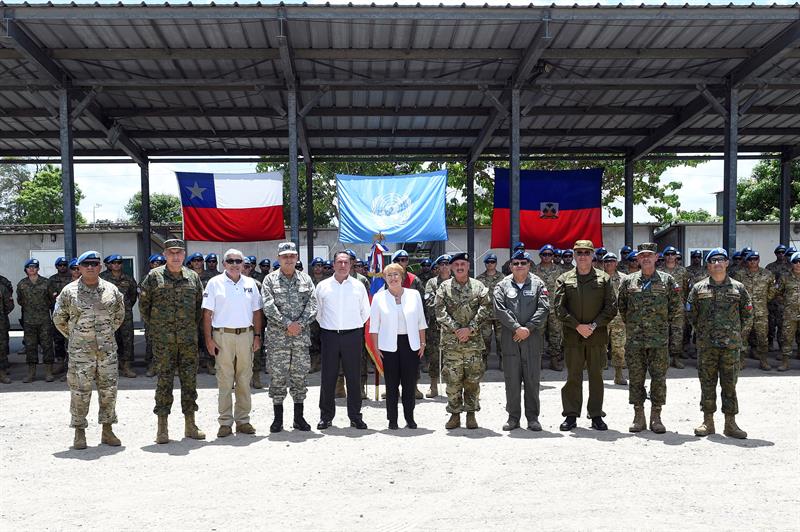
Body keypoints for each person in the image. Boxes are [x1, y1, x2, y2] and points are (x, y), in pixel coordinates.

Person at [53, 251, 125, 450]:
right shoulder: (69, 291)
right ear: (79, 267)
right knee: (79, 392)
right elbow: (59, 319)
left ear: (101, 267)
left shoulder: (111, 290)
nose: (91, 267)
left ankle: (107, 430)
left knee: (108, 390)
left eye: (94, 263)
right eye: (86, 264)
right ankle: (79, 432)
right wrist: (77, 336)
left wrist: (104, 334)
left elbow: (119, 316)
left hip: (107, 351)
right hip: (80, 353)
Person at [138, 239, 206, 444]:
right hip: (163, 342)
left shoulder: (193, 277)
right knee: (164, 382)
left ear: (184, 255)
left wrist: (187, 329)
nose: (175, 256)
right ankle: (162, 428)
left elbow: (198, 309)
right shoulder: (154, 276)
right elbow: (144, 307)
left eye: (179, 253)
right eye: (171, 253)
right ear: (165, 254)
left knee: (189, 382)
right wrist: (159, 328)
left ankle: (190, 425)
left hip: (187, 340)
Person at [687, 248, 752, 439]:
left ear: (727, 263)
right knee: (707, 383)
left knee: (729, 383)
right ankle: (708, 422)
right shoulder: (699, 288)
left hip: (730, 346)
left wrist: (735, 334)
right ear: (708, 265)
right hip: (706, 345)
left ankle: (730, 423)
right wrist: (703, 331)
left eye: (721, 259)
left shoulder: (738, 288)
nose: (717, 263)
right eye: (713, 260)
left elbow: (747, 314)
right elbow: (691, 314)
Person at [617, 243, 682, 434]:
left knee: (659, 378)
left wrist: (660, 325)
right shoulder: (629, 281)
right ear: (637, 259)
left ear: (656, 258)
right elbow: (622, 307)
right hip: (635, 339)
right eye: (642, 255)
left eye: (649, 255)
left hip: (658, 339)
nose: (645, 258)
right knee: (636, 377)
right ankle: (639, 415)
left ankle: (656, 416)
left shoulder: (667, 280)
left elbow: (675, 307)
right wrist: (635, 324)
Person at [554, 240, 617, 431]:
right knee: (573, 376)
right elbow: (558, 308)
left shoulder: (604, 279)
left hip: (596, 336)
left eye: (586, 252)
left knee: (596, 376)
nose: (582, 256)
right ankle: (571, 415)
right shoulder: (564, 279)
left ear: (593, 256)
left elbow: (611, 307)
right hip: (573, 336)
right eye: (579, 252)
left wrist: (594, 325)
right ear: (574, 255)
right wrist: (577, 326)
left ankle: (596, 415)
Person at [202, 248, 261, 437]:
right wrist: (209, 339)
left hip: (246, 336)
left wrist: (257, 336)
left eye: (238, 261)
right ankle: (225, 422)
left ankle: (243, 421)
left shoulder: (251, 283)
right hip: (222, 337)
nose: (235, 264)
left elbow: (257, 312)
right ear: (224, 264)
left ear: (243, 264)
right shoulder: (214, 283)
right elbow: (207, 314)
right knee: (225, 380)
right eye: (231, 261)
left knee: (244, 379)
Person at [261, 242, 317, 433]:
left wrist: (299, 325)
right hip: (278, 340)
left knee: (299, 378)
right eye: (285, 256)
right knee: (278, 378)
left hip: (300, 339)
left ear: (297, 258)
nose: (289, 259)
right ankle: (278, 420)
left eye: (292, 256)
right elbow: (268, 306)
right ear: (279, 258)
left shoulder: (306, 280)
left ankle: (298, 418)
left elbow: (313, 305)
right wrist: (287, 324)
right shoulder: (269, 280)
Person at [493, 250, 549, 431]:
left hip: (532, 338)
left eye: (523, 263)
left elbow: (544, 308)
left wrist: (528, 328)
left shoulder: (538, 284)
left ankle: (532, 418)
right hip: (511, 337)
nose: (519, 266)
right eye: (515, 263)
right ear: (510, 266)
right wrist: (517, 328)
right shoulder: (502, 285)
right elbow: (499, 309)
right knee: (512, 379)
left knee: (532, 379)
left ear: (529, 265)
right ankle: (513, 417)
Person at [435, 253, 492, 430]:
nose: (460, 267)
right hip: (452, 344)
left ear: (468, 266)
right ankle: (454, 415)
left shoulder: (478, 286)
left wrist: (470, 329)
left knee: (473, 380)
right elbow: (439, 311)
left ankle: (471, 414)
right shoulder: (444, 288)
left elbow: (486, 308)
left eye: (463, 264)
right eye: (456, 264)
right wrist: (457, 330)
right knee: (452, 381)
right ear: (452, 267)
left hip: (473, 344)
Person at [315, 251, 371, 430]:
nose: (342, 265)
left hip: (352, 335)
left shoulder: (358, 286)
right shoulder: (323, 286)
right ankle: (326, 416)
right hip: (330, 335)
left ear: (351, 265)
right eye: (339, 262)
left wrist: (352, 326)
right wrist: (329, 326)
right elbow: (318, 312)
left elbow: (365, 312)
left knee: (353, 378)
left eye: (346, 262)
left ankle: (355, 416)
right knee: (328, 378)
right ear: (333, 265)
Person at [370, 262, 427, 429]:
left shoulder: (414, 294)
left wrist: (422, 342)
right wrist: (375, 347)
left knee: (409, 384)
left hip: (411, 344)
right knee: (392, 384)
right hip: (388, 346)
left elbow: (420, 321)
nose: (393, 278)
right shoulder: (379, 297)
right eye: (389, 275)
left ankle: (410, 418)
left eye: (396, 274)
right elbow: (374, 326)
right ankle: (392, 420)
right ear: (385, 279)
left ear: (402, 277)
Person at [731, 251, 776, 371]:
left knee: (762, 337)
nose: (753, 261)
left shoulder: (767, 274)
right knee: (742, 337)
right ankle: (741, 360)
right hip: (744, 312)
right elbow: (734, 291)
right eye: (750, 259)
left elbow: (772, 292)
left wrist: (762, 300)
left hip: (761, 312)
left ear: (759, 259)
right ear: (746, 260)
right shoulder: (739, 274)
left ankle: (764, 361)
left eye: (755, 259)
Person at [99, 254, 138, 378]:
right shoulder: (102, 279)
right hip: (108, 315)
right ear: (109, 265)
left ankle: (126, 366)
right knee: (109, 340)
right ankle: (111, 367)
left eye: (119, 262)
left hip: (125, 314)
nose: (117, 265)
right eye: (114, 262)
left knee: (127, 340)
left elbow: (133, 296)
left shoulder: (128, 278)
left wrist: (125, 307)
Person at [17, 258, 55, 383]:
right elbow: (20, 301)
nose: (32, 269)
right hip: (29, 321)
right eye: (29, 267)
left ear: (38, 268)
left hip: (44, 320)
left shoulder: (46, 282)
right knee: (30, 346)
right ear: (26, 269)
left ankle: (49, 372)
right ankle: (31, 373)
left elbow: (52, 300)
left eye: (34, 267)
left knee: (47, 345)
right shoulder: (22, 284)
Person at [423, 254, 451, 398]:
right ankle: (433, 386)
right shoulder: (432, 283)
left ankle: (451, 387)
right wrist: (447, 307)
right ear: (438, 267)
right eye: (442, 264)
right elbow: (430, 305)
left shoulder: (456, 282)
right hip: (436, 327)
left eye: (447, 263)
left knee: (452, 358)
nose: (445, 266)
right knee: (434, 357)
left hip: (453, 328)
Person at [533, 244, 564, 371]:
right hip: (539, 308)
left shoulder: (559, 270)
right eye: (544, 254)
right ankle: (537, 361)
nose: (547, 256)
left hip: (554, 308)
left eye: (549, 254)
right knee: (537, 335)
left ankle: (554, 360)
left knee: (555, 335)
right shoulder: (534, 270)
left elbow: (563, 289)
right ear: (540, 255)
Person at [657, 246, 689, 368]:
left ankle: (676, 358)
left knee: (677, 333)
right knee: (662, 332)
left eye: (672, 254)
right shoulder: (658, 271)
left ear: (676, 256)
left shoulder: (682, 271)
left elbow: (685, 288)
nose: (670, 256)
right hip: (662, 306)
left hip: (678, 308)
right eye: (668, 254)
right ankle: (664, 358)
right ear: (664, 256)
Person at [602, 252, 628, 385]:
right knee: (600, 347)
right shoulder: (597, 277)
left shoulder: (625, 278)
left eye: (612, 261)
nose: (609, 263)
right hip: (601, 319)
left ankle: (618, 375)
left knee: (619, 348)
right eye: (606, 261)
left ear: (616, 263)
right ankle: (598, 376)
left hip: (619, 319)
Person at [241, 256, 266, 389]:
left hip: (253, 323)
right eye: (242, 265)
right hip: (237, 325)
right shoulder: (228, 282)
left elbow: (261, 307)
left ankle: (255, 375)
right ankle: (237, 378)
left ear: (251, 268)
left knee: (255, 351)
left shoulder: (256, 284)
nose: (244, 269)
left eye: (247, 266)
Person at [476, 253, 504, 369]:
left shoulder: (503, 278)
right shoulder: (479, 279)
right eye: (488, 262)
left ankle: (503, 361)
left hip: (500, 314)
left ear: (496, 263)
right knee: (485, 338)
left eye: (492, 262)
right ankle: (484, 360)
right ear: (485, 264)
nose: (490, 264)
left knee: (501, 339)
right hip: (485, 314)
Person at [142, 254, 166, 377]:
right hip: (152, 317)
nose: (158, 265)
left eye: (161, 263)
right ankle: (152, 365)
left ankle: (165, 366)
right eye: (155, 263)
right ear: (151, 265)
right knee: (151, 342)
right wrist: (148, 318)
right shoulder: (147, 279)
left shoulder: (169, 278)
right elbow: (143, 301)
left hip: (168, 318)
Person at [48, 257, 72, 376]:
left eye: (64, 265)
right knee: (58, 340)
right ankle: (60, 363)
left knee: (71, 340)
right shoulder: (52, 280)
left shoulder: (72, 278)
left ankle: (70, 365)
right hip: (57, 314)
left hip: (71, 314)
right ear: (56, 267)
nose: (62, 267)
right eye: (60, 265)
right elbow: (48, 297)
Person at [776, 251, 800, 371]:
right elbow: (778, 293)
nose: (798, 264)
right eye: (796, 261)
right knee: (787, 338)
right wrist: (786, 303)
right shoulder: (785, 277)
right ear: (792, 263)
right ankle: (785, 363)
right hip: (790, 314)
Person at [766, 244, 790, 356]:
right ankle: (770, 343)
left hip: (784, 302)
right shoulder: (770, 267)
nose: (781, 254)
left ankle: (781, 349)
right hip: (771, 301)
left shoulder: (791, 266)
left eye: (783, 252)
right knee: (770, 324)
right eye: (779, 252)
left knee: (782, 325)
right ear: (775, 254)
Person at [0, 273, 14, 384]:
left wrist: (2, 315)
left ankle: (2, 373)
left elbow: (9, 305)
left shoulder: (2, 287)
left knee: (1, 348)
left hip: (0, 322)